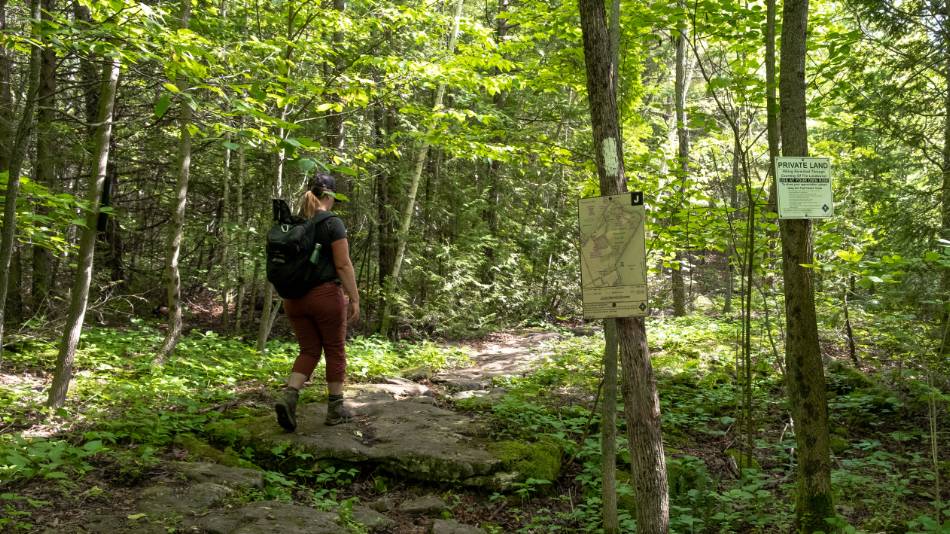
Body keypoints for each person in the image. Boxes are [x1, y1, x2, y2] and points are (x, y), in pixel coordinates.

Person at [274, 173, 360, 431]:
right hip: (324, 296)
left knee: (309, 350)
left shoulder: (296, 223)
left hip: (293, 299)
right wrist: (354, 297)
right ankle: (335, 409)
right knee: (334, 349)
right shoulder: (332, 223)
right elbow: (343, 264)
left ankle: (289, 396)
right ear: (330, 196)